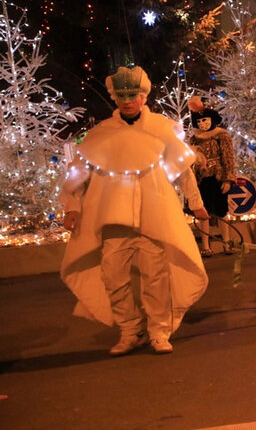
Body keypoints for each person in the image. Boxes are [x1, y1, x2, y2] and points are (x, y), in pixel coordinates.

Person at [60, 66, 210, 356]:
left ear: (143, 96)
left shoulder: (162, 129)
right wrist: (72, 207)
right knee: (113, 276)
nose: (128, 100)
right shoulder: (100, 134)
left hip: (153, 214)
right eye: (122, 95)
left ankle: (158, 330)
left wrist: (197, 203)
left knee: (156, 276)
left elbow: (183, 172)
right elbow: (77, 173)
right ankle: (130, 329)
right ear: (114, 97)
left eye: (134, 95)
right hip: (111, 217)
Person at [188, 96, 237, 256]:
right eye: (199, 121)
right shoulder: (195, 138)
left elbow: (228, 157)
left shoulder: (221, 135)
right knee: (204, 212)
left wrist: (228, 178)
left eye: (205, 120)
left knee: (222, 211)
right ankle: (206, 246)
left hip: (218, 176)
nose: (203, 124)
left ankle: (226, 243)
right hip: (202, 178)